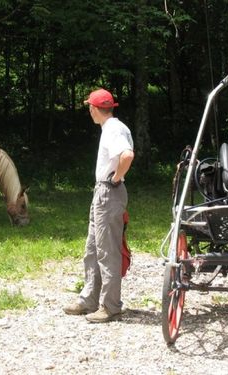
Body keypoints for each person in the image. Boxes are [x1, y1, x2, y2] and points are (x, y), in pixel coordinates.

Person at [63, 88, 134, 323]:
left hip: (109, 191)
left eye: (89, 108)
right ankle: (89, 299)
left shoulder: (113, 129)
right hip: (103, 192)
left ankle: (111, 306)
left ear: (94, 109)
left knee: (107, 250)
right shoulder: (112, 127)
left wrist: (115, 179)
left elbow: (127, 155)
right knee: (92, 247)